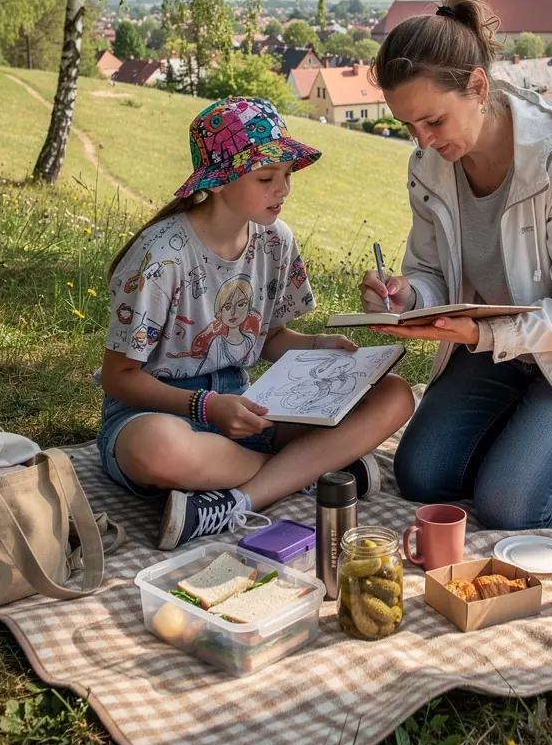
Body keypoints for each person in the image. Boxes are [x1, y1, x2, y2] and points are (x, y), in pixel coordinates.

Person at [358, 0, 552, 531]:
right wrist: (408, 296)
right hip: (499, 349)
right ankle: (531, 433)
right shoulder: (429, 167)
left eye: (433, 121)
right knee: (420, 475)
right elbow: (430, 272)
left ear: (478, 87)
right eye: (410, 127)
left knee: (510, 507)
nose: (424, 142)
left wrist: (481, 337)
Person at [99, 98, 415, 550]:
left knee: (395, 394)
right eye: (267, 178)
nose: (283, 189)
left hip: (250, 411)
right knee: (158, 449)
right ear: (219, 182)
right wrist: (206, 408)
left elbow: (266, 336)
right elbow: (118, 377)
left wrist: (316, 346)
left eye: (287, 175)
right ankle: (316, 472)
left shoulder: (275, 241)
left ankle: (236, 501)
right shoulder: (161, 256)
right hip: (157, 415)